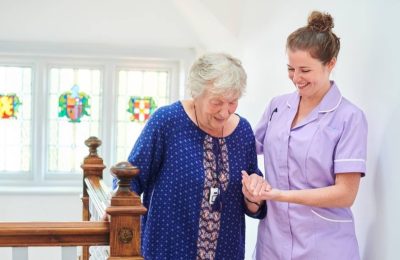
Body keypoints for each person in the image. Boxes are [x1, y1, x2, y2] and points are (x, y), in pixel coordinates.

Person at [241, 11, 368, 260]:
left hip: (325, 247)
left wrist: (277, 195)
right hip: (273, 244)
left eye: (305, 70)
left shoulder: (349, 117)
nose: (296, 78)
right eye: (291, 69)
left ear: (331, 63)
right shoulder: (277, 107)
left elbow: (345, 194)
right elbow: (244, 147)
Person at [124, 53, 266, 259]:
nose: (225, 112)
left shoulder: (242, 131)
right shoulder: (167, 122)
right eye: (217, 102)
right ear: (196, 93)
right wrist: (119, 216)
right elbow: (131, 178)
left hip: (227, 252)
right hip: (168, 250)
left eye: (232, 102)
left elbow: (253, 200)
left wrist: (254, 197)